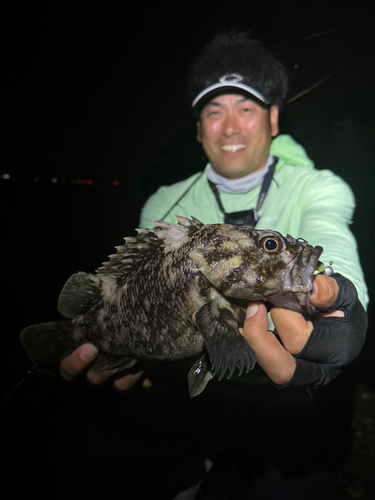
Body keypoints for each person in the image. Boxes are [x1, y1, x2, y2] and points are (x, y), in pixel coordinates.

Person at [59, 32, 368, 498]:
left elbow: (330, 240)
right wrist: (139, 359)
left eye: (245, 108)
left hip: (278, 407)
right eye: (213, 111)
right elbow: (130, 287)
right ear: (199, 129)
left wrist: (343, 296)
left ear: (274, 118)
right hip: (183, 396)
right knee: (83, 467)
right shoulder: (165, 203)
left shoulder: (321, 187)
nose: (229, 127)